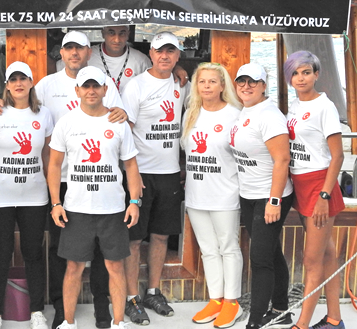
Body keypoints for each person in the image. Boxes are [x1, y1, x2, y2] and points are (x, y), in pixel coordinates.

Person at [0, 30, 128, 329]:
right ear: (60, 53)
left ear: (89, 52)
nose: (74, 53)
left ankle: (102, 309)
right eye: (68, 48)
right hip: (57, 180)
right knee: (60, 250)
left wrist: (120, 113)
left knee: (102, 252)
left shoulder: (103, 82)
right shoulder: (46, 84)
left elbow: (118, 115)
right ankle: (62, 310)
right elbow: (23, 104)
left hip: (94, 179)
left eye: (80, 48)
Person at [48, 66, 142, 329]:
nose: (91, 91)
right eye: (86, 86)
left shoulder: (118, 123)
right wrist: (56, 203)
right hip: (76, 209)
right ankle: (68, 323)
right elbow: (54, 165)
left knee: (115, 266)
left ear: (105, 89)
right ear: (77, 90)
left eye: (96, 86)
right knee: (73, 268)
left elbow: (131, 165)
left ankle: (118, 322)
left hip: (113, 209)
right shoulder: (66, 122)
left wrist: (134, 202)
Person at [0, 62, 54, 329]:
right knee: (1, 254)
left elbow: (47, 156)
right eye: (13, 79)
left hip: (34, 196)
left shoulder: (44, 114)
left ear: (31, 83)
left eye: (23, 79)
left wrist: (52, 193)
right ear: (7, 85)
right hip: (0, 197)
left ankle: (37, 312)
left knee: (33, 253)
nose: (19, 83)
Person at [121, 31, 190, 324]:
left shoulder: (182, 83)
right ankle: (131, 297)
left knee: (161, 235)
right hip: (141, 174)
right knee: (134, 240)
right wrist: (132, 174)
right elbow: (126, 132)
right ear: (151, 53)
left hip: (170, 173)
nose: (165, 56)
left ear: (177, 55)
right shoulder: (135, 86)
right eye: (160, 51)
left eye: (170, 51)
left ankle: (152, 291)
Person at [229, 63, 294, 329]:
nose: (246, 86)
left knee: (260, 259)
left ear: (264, 86)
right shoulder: (246, 111)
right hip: (249, 195)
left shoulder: (269, 115)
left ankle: (254, 321)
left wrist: (274, 201)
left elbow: (282, 159)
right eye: (241, 81)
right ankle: (281, 310)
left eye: (253, 82)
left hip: (269, 196)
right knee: (271, 252)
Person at [283, 51, 345, 329]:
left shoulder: (324, 107)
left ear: (316, 75)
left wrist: (324, 196)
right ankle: (334, 319)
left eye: (306, 72)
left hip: (320, 186)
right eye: (295, 73)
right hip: (300, 183)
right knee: (327, 255)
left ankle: (302, 324)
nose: (301, 78)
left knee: (311, 260)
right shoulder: (295, 106)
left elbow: (338, 156)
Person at [180, 63, 243, 328]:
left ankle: (232, 302)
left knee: (228, 247)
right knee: (207, 249)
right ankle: (216, 299)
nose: (206, 86)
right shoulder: (191, 114)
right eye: (202, 81)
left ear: (222, 85)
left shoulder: (234, 115)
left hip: (225, 193)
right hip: (196, 194)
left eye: (212, 81)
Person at [56, 25, 189, 93]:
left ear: (128, 34)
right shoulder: (87, 55)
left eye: (122, 33)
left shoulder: (140, 60)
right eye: (111, 33)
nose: (117, 39)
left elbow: (157, 73)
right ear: (103, 33)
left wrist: (175, 68)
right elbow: (61, 68)